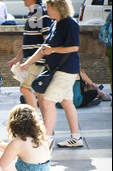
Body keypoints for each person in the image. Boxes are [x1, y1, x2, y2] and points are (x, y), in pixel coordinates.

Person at [21, 0, 83, 148]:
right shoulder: (56, 23)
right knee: (67, 102)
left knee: (48, 101)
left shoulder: (69, 23)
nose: (46, 9)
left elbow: (74, 47)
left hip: (66, 69)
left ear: (58, 8)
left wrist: (53, 51)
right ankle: (76, 137)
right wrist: (27, 63)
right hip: (59, 69)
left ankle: (46, 139)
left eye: (49, 6)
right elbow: (44, 48)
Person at [9, 0, 52, 109]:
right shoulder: (34, 14)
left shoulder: (40, 14)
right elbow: (28, 42)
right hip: (33, 60)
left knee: (25, 89)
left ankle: (35, 120)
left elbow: (47, 40)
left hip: (36, 61)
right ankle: (42, 122)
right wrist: (17, 59)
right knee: (39, 93)